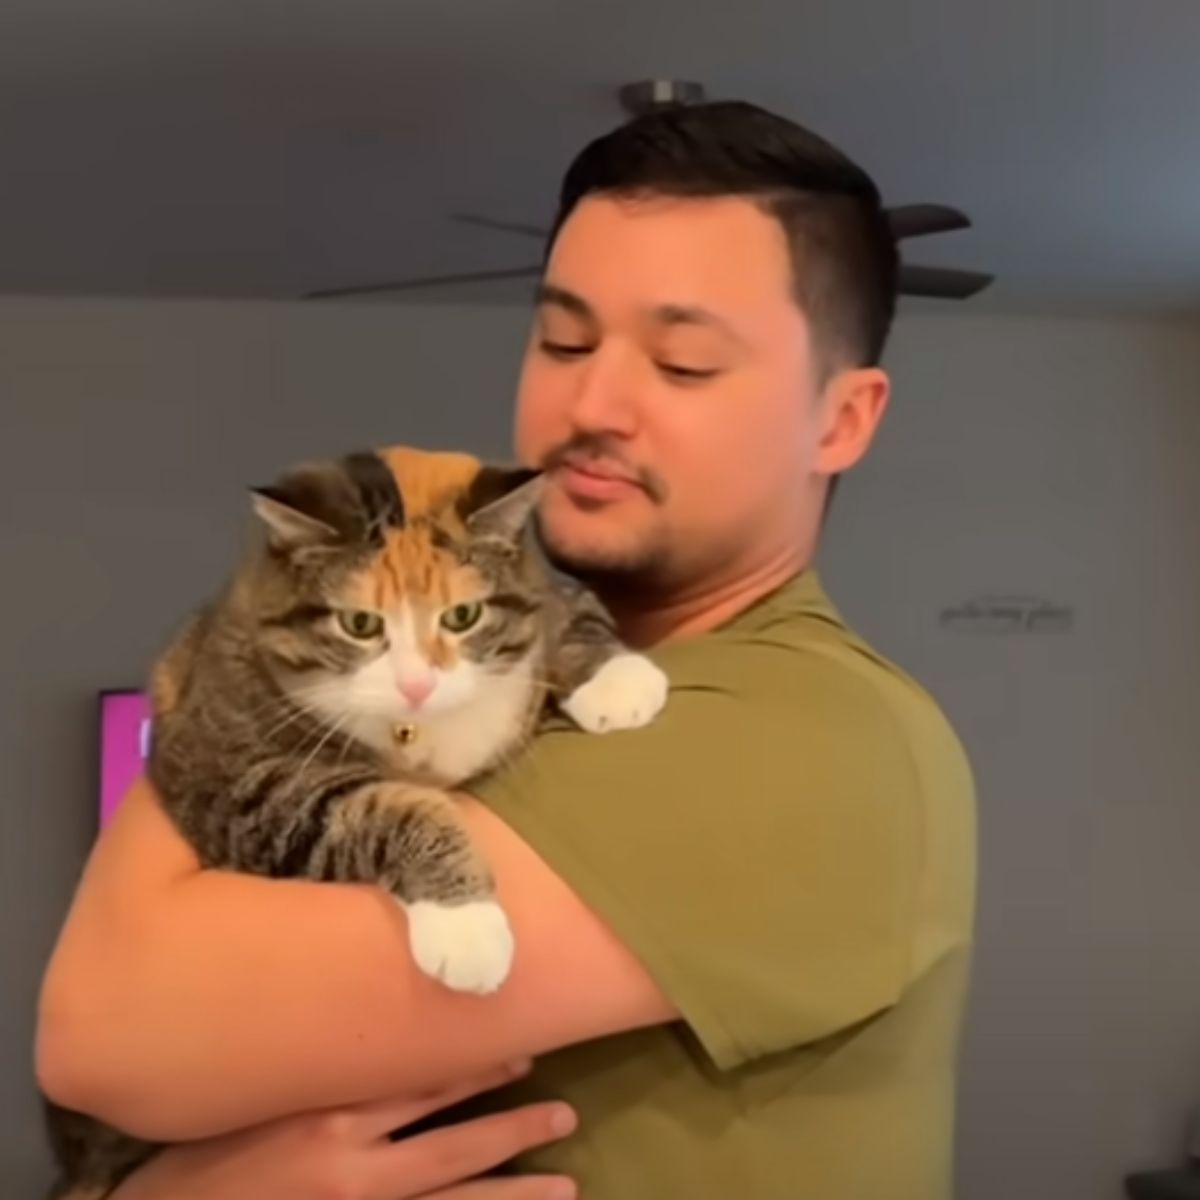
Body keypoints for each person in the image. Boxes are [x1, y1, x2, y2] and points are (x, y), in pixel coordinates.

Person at [37, 100, 977, 1200]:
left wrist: (238, 662)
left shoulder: (808, 739)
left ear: (843, 421)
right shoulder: (521, 687)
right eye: (563, 339)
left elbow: (107, 1030)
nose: (592, 402)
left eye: (681, 365)